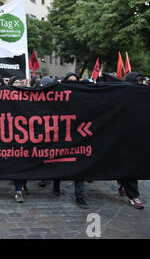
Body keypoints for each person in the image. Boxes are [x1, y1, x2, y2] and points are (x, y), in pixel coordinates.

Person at [52, 72, 89, 209]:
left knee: (79, 165)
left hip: (78, 135)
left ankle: (80, 196)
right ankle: (56, 184)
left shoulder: (82, 95)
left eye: (75, 81)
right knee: (59, 162)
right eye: (70, 81)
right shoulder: (59, 93)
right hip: (62, 134)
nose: (73, 83)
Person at [117, 72, 146, 209]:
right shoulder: (121, 96)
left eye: (141, 81)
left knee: (132, 166)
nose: (139, 84)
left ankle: (130, 192)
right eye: (137, 81)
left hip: (137, 138)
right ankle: (127, 189)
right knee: (123, 164)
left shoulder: (143, 97)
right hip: (121, 137)